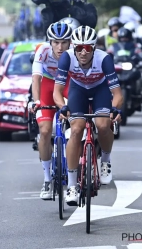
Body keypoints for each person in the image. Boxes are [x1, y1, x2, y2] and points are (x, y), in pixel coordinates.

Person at [53, 26, 123, 206]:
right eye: (79, 48)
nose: (83, 52)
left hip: (100, 90)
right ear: (73, 48)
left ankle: (105, 161)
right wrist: (63, 107)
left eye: (88, 48)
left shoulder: (104, 59)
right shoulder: (66, 58)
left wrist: (114, 109)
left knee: (102, 124)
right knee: (76, 130)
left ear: (94, 48)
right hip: (78, 90)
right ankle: (71, 185)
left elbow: (117, 94)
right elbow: (57, 92)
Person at [31, 22, 72, 200]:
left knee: (77, 123)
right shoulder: (43, 51)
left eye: (64, 42)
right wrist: (36, 101)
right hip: (48, 85)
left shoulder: (75, 52)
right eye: (56, 42)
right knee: (46, 130)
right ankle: (47, 179)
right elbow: (36, 78)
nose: (60, 47)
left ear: (70, 42)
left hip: (68, 83)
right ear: (50, 42)